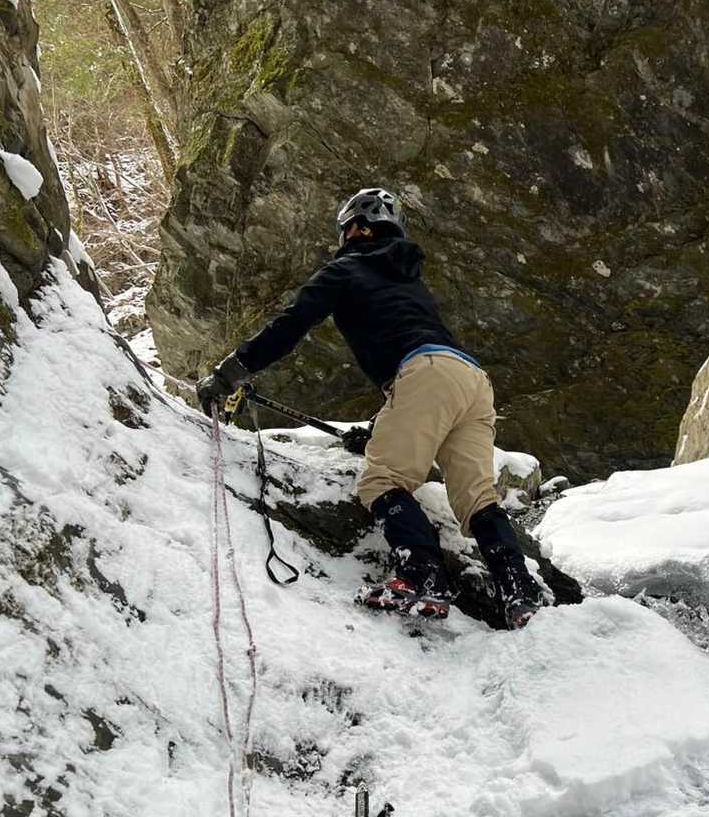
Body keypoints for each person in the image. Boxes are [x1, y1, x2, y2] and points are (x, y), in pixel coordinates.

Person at [196, 187, 545, 629]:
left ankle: (422, 578)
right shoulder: (408, 278)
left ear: (359, 228)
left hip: (423, 373)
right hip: (472, 380)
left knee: (383, 480)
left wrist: (231, 372)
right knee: (477, 499)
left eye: (345, 229)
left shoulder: (345, 269)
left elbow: (292, 324)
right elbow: (420, 353)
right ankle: (520, 594)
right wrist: (381, 425)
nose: (342, 237)